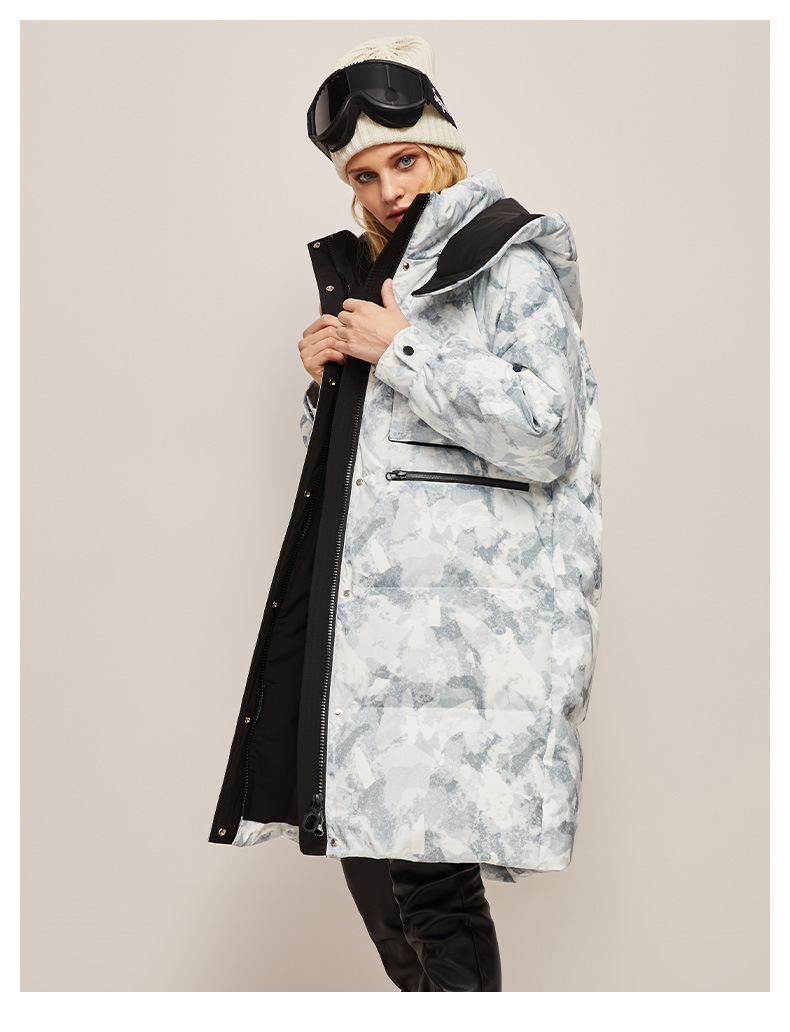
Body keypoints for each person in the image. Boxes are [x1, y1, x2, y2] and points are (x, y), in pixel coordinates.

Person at [208, 35, 603, 993]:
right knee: (372, 868)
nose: (387, 190)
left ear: (444, 153)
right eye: (364, 174)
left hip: (455, 638)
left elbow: (547, 431)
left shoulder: (505, 264)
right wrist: (330, 386)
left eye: (405, 162)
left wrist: (400, 351)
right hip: (374, 639)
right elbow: (382, 469)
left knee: (431, 888)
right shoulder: (386, 275)